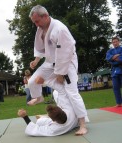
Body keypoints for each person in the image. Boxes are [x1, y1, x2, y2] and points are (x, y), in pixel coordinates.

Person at [27, 5, 88, 135]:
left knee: (72, 93)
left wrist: (61, 73)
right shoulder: (41, 29)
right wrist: (36, 60)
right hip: (50, 62)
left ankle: (82, 124)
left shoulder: (59, 29)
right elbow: (40, 47)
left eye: (37, 21)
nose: (36, 25)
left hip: (67, 63)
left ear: (46, 16)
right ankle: (38, 97)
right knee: (32, 81)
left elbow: (67, 51)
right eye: (34, 22)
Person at [106, 36, 122, 107]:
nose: (115, 43)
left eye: (116, 41)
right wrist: (115, 57)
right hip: (114, 70)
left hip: (121, 68)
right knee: (115, 87)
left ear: (119, 42)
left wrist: (113, 58)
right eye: (113, 42)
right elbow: (108, 58)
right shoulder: (110, 51)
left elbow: (120, 59)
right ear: (112, 43)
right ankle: (119, 103)